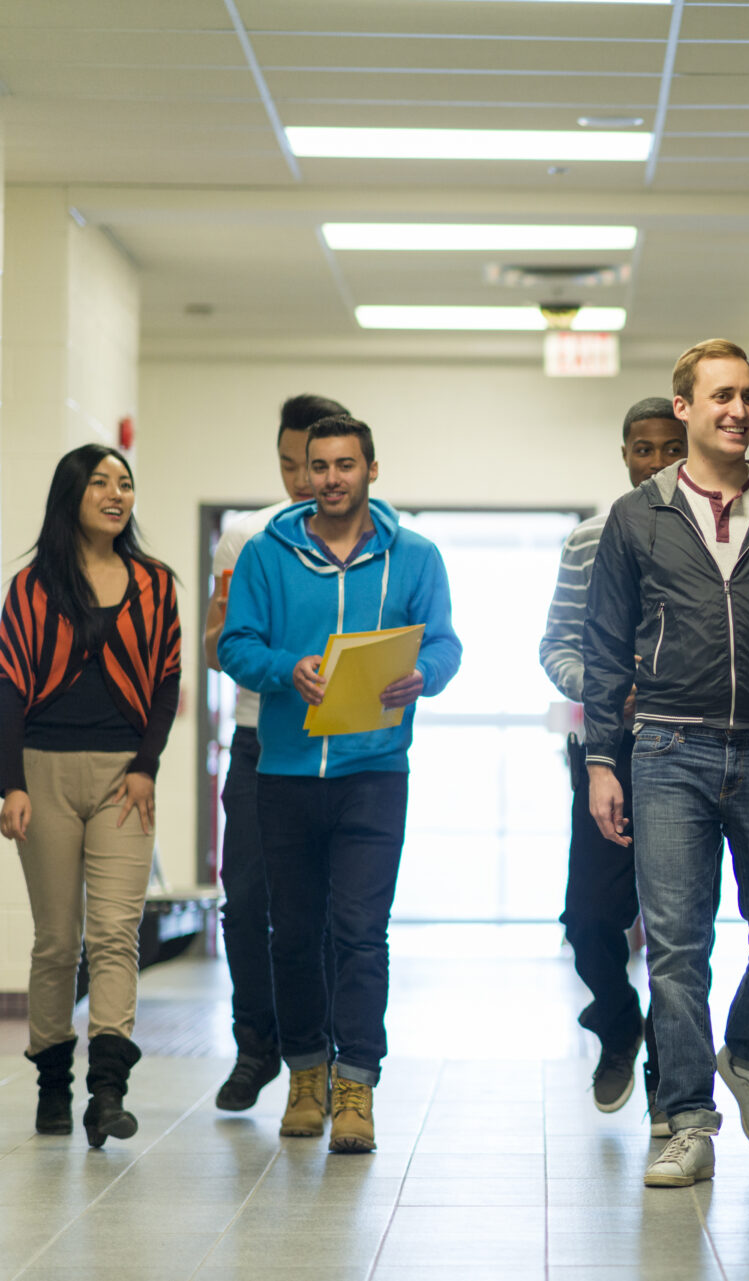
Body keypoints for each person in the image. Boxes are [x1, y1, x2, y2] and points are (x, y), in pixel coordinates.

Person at [581, 338, 749, 1189]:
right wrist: (601, 759)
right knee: (675, 946)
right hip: (666, 745)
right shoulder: (639, 517)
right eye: (722, 396)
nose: (738, 409)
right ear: (687, 409)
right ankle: (686, 1121)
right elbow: (602, 647)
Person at [219, 415, 462, 1153]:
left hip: (375, 773)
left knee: (360, 932)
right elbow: (235, 642)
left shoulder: (416, 556)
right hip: (285, 771)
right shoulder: (267, 554)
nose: (330, 478)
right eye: (319, 465)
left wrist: (428, 676)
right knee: (291, 933)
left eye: (345, 465)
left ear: (371, 470)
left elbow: (445, 642)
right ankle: (305, 1074)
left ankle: (356, 1085)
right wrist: (284, 668)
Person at [1, 445, 182, 1147]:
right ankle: (52, 1079)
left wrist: (146, 764)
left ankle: (108, 1091)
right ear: (71, 494)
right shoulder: (32, 586)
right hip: (42, 772)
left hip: (122, 778)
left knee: (114, 934)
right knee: (56, 941)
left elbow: (166, 681)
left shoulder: (156, 585)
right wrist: (11, 781)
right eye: (101, 482)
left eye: (126, 483)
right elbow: (10, 686)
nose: (116, 493)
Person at [538, 397, 687, 1122]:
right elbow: (556, 645)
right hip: (605, 750)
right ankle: (617, 1018)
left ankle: (672, 1067)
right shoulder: (590, 540)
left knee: (674, 924)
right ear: (624, 454)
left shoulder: (710, 540)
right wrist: (603, 689)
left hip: (689, 751)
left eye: (669, 448)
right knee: (588, 917)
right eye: (642, 448)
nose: (655, 461)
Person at [204, 393, 347, 1112]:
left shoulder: (367, 537)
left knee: (320, 908)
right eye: (290, 464)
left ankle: (315, 1053)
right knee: (248, 900)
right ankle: (256, 1043)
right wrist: (238, 623)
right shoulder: (248, 538)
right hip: (262, 738)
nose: (301, 479)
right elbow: (211, 647)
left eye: (314, 464)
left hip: (340, 742)